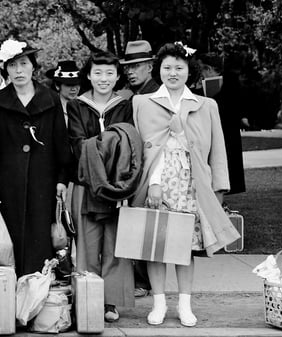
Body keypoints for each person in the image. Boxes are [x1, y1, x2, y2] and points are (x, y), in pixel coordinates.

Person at [132, 42, 240, 327]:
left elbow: (218, 151)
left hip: (191, 183)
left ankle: (184, 304)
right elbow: (143, 150)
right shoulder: (142, 103)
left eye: (179, 68)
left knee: (185, 248)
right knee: (155, 246)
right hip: (158, 181)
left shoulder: (206, 105)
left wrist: (219, 188)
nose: (172, 73)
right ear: (159, 70)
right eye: (167, 67)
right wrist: (153, 183)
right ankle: (158, 304)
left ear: (188, 71)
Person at [0, 39, 71, 277]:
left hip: (44, 180)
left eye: (23, 64)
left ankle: (38, 293)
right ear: (5, 69)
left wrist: (62, 178)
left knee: (40, 236)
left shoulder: (50, 99)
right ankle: (9, 296)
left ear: (33, 67)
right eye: (12, 65)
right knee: (9, 236)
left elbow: (61, 143)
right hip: (8, 182)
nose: (18, 70)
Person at [66, 51, 135, 322]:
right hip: (86, 183)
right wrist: (110, 142)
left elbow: (128, 142)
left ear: (117, 76)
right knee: (87, 243)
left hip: (117, 184)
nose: (103, 79)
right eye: (97, 73)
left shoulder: (124, 105)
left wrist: (104, 145)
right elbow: (77, 143)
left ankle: (110, 302)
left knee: (114, 245)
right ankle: (88, 296)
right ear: (89, 75)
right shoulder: (76, 105)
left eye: (109, 73)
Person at [120, 39, 160, 298]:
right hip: (131, 166)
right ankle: (137, 277)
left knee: (149, 224)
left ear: (149, 66)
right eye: (128, 67)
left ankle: (145, 281)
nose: (131, 71)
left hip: (153, 166)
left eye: (137, 66)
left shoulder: (158, 93)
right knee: (135, 223)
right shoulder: (127, 95)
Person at [197, 53, 246, 195]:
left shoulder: (231, 81)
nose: (203, 73)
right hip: (212, 127)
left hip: (227, 128)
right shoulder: (202, 83)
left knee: (227, 161)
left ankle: (224, 191)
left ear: (210, 69)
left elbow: (235, 103)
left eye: (204, 69)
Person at [45, 60, 81, 125]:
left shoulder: (86, 106)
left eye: (77, 84)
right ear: (57, 86)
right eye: (69, 85)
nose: (74, 89)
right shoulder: (49, 108)